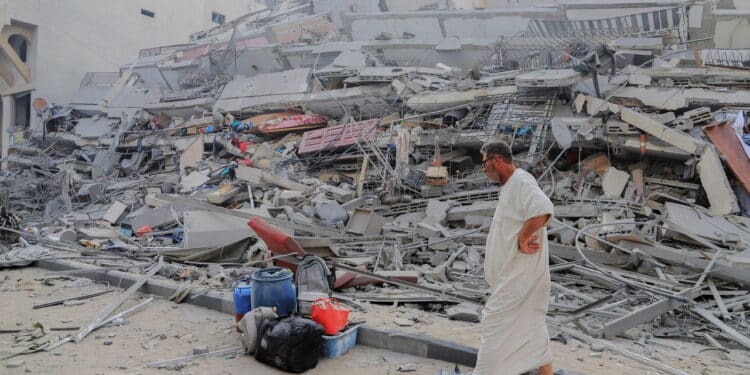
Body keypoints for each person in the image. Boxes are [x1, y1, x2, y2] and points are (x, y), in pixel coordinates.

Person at [474, 141, 554, 375]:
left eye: (484, 162)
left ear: (497, 160)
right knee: (532, 329)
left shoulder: (521, 180)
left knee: (494, 324)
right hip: (516, 279)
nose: (483, 169)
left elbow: (542, 208)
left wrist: (523, 236)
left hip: (519, 278)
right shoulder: (511, 185)